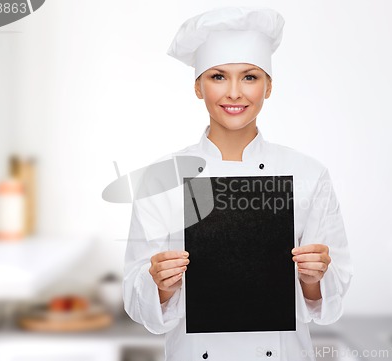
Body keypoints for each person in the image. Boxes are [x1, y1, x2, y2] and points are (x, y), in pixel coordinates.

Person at [123, 6, 353, 361]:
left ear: (269, 87)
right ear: (198, 87)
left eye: (249, 77)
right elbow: (139, 305)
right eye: (217, 77)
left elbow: (328, 303)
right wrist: (159, 284)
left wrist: (312, 278)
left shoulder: (308, 174)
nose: (234, 93)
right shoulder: (161, 179)